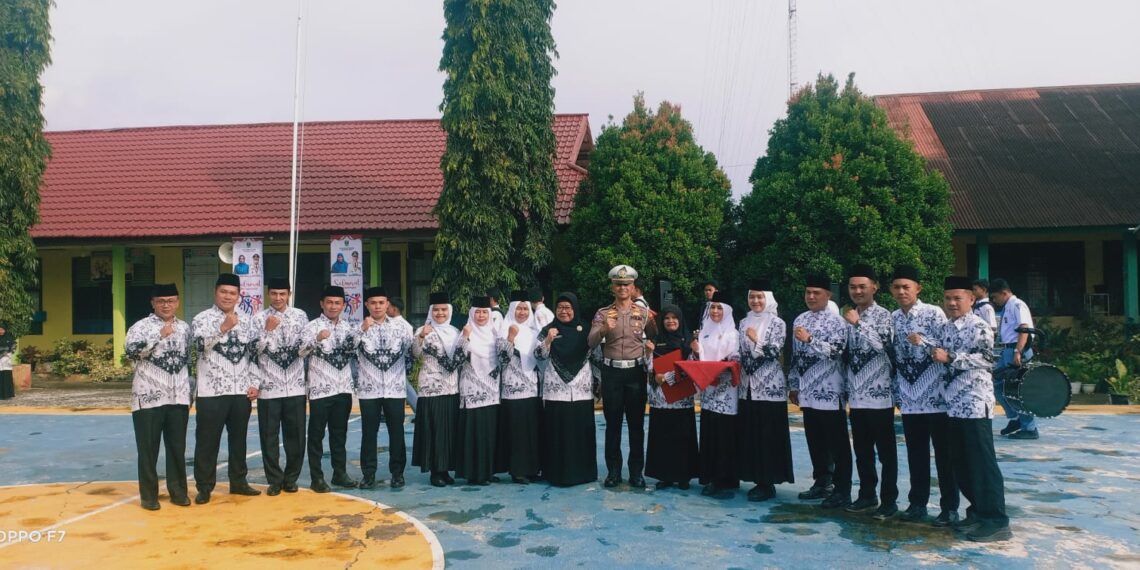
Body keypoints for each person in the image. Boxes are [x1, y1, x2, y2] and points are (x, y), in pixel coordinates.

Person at [930, 276, 1013, 542]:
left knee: (982, 463)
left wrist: (951, 357)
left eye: (958, 298)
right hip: (952, 404)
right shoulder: (946, 328)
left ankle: (997, 520)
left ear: (971, 299)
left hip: (975, 403)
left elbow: (987, 359)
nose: (952, 303)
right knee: (961, 463)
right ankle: (977, 513)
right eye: (948, 298)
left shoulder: (979, 325)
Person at [891, 265, 959, 525]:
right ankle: (917, 503)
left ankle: (949, 507)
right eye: (897, 287)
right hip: (909, 397)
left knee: (944, 455)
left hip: (936, 396)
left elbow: (947, 348)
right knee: (915, 453)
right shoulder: (894, 317)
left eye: (906, 287)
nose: (901, 291)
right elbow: (895, 355)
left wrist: (924, 342)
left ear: (918, 288)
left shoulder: (933, 313)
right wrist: (898, 392)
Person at [191, 273, 262, 504]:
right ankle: (204, 487)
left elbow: (253, 355)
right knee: (207, 441)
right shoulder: (202, 318)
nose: (227, 296)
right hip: (212, 391)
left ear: (239, 296)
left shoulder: (248, 320)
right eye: (223, 292)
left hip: (240, 391)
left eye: (232, 293)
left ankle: (239, 482)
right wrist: (222, 328)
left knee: (239, 440)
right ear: (215, 292)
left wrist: (254, 383)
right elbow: (199, 346)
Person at [124, 283, 193, 510]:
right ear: (153, 303)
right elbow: (131, 352)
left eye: (171, 300)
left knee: (176, 448)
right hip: (148, 398)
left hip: (178, 398)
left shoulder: (185, 328)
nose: (166, 305)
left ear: (178, 302)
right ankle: (149, 496)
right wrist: (158, 335)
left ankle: (178, 492)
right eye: (161, 301)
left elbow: (189, 360)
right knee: (148, 449)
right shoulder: (140, 327)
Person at [588, 264, 657, 488]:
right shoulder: (602, 313)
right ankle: (614, 472)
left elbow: (657, 337)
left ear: (633, 286)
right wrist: (604, 329)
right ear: (613, 287)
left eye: (626, 284)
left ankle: (637, 472)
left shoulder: (645, 313)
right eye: (618, 284)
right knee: (613, 424)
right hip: (612, 373)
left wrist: (652, 349)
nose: (622, 288)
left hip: (636, 372)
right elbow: (591, 341)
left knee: (637, 425)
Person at [789, 273, 853, 509]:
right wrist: (794, 384)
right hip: (807, 391)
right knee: (814, 440)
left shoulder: (837, 321)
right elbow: (796, 356)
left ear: (828, 295)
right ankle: (821, 482)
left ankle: (843, 489)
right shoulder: (799, 320)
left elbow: (836, 352)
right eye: (808, 292)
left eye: (817, 293)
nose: (812, 296)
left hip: (831, 391)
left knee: (837, 443)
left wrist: (810, 339)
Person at [840, 264, 899, 519]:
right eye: (853, 287)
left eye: (863, 286)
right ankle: (867, 495)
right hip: (856, 396)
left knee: (886, 452)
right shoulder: (848, 315)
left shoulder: (885, 315)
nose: (857, 291)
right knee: (862, 451)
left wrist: (859, 324)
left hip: (880, 395)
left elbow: (883, 347)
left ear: (874, 287)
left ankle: (889, 501)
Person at [737, 280, 794, 502]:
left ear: (767, 298)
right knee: (751, 433)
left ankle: (768, 482)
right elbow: (741, 353)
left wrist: (756, 340)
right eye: (752, 297)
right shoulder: (743, 322)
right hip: (747, 386)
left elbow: (774, 351)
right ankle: (755, 477)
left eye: (760, 297)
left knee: (768, 434)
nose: (755, 301)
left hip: (769, 387)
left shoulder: (777, 323)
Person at [253, 278, 309, 496]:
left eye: (282, 294)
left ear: (289, 294)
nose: (278, 298)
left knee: (295, 436)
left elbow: (305, 348)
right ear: (268, 294)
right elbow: (253, 351)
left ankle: (291, 478)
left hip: (295, 386)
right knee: (269, 436)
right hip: (268, 387)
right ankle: (274, 479)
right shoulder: (258, 319)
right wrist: (267, 331)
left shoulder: (300, 316)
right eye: (274, 293)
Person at [536, 292, 598, 487]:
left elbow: (597, 355)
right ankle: (555, 473)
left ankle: (583, 472)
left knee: (580, 431)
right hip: (556, 390)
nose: (564, 311)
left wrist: (599, 382)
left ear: (575, 309)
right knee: (557, 432)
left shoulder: (586, 329)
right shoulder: (548, 329)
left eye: (568, 308)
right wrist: (548, 340)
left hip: (581, 389)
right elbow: (538, 355)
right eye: (560, 308)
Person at [301, 285, 359, 492]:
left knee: (339, 433)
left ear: (343, 305)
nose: (333, 306)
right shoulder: (311, 326)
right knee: (316, 435)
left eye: (337, 303)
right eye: (329, 302)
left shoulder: (350, 328)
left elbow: (356, 353)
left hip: (343, 388)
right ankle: (316, 477)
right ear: (322, 304)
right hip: (320, 389)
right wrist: (316, 339)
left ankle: (339, 473)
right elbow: (300, 351)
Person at [356, 285, 412, 489]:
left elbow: (412, 351)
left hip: (394, 388)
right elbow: (346, 349)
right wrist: (362, 330)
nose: (377, 307)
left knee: (396, 432)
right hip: (368, 389)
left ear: (388, 304)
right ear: (366, 305)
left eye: (381, 303)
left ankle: (397, 473)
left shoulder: (401, 327)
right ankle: (368, 474)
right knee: (368, 433)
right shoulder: (359, 327)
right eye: (373, 303)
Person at [691, 291, 741, 498]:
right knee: (710, 432)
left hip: (726, 391)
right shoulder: (704, 332)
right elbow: (698, 359)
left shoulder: (733, 334)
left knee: (725, 434)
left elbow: (736, 358)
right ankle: (710, 477)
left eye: (720, 307)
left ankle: (725, 478)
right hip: (708, 390)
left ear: (727, 310)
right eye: (712, 307)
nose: (715, 311)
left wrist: (721, 370)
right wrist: (694, 351)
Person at [645, 304, 700, 491]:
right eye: (667, 318)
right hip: (660, 396)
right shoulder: (655, 340)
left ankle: (683, 475)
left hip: (680, 396)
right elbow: (647, 366)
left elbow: (693, 366)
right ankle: (664, 475)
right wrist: (648, 353)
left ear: (680, 319)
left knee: (682, 435)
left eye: (674, 318)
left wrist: (667, 377)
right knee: (662, 435)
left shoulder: (688, 342)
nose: (670, 321)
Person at [412, 292, 464, 487]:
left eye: (443, 309)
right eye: (436, 310)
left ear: (449, 311)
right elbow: (416, 354)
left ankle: (446, 469)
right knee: (433, 430)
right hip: (431, 389)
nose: (440, 313)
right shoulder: (423, 330)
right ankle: (435, 471)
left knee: (448, 430)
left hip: (452, 388)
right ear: (431, 311)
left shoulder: (455, 331)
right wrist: (421, 337)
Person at [495, 291, 543, 484]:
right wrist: (510, 338)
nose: (522, 312)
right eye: (518, 309)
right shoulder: (504, 329)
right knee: (516, 430)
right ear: (512, 310)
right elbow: (501, 358)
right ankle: (517, 470)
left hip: (532, 387)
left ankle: (532, 468)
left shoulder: (534, 332)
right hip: (511, 388)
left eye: (525, 309)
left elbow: (541, 356)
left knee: (531, 428)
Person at [455, 296, 503, 485]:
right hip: (471, 388)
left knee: (489, 431)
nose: (481, 315)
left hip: (491, 389)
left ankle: (488, 471)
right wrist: (465, 337)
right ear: (472, 314)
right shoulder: (466, 332)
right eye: (478, 312)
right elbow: (458, 358)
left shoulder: (494, 334)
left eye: (484, 312)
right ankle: (473, 473)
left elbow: (504, 358)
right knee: (473, 432)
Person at [989, 278, 1039, 440]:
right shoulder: (1007, 307)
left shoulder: (1018, 305)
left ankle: (1029, 427)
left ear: (1004, 293)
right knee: (998, 383)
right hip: (1007, 350)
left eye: (995, 297)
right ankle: (1016, 417)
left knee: (1017, 389)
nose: (994, 301)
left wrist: (1018, 351)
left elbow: (1024, 328)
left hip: (1016, 350)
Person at [387, 296, 418, 413]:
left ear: (394, 309)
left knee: (404, 386)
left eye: (388, 307)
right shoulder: (403, 324)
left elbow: (408, 345)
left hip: (398, 362)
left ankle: (419, 410)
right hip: (397, 361)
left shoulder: (401, 325)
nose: (385, 309)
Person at [0, 322, 15, 400]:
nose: (1, 331)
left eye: (2, 329)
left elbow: (13, 346)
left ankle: (7, 394)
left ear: (5, 330)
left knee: (7, 376)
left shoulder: (9, 337)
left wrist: (7, 352)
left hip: (6, 360)